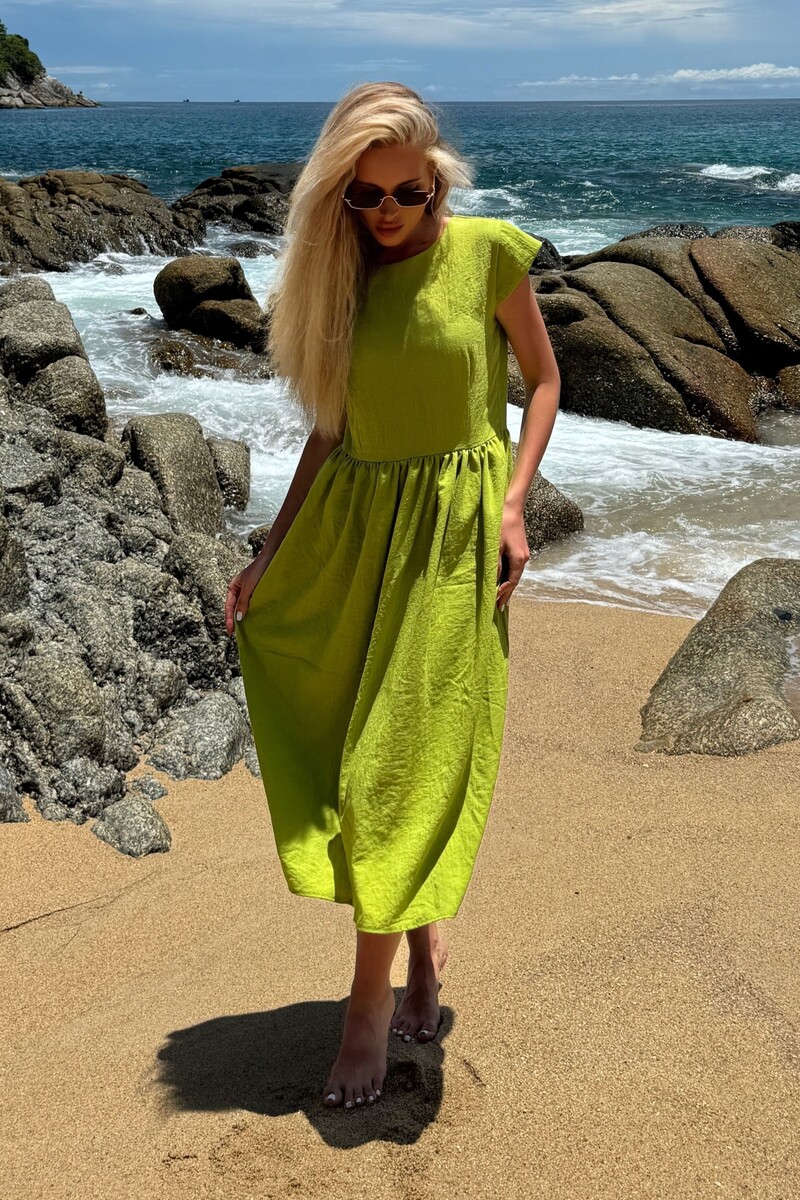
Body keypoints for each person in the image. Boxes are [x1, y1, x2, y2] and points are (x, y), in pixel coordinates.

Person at [225, 81, 560, 1112]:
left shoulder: (489, 254)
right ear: (338, 197)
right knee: (354, 750)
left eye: (408, 193)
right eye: (364, 196)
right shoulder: (339, 283)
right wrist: (269, 556)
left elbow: (544, 382)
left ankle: (364, 1007)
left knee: (396, 764)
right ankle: (421, 949)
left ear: (437, 181)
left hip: (454, 544)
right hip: (356, 532)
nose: (387, 214)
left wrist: (513, 506)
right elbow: (330, 432)